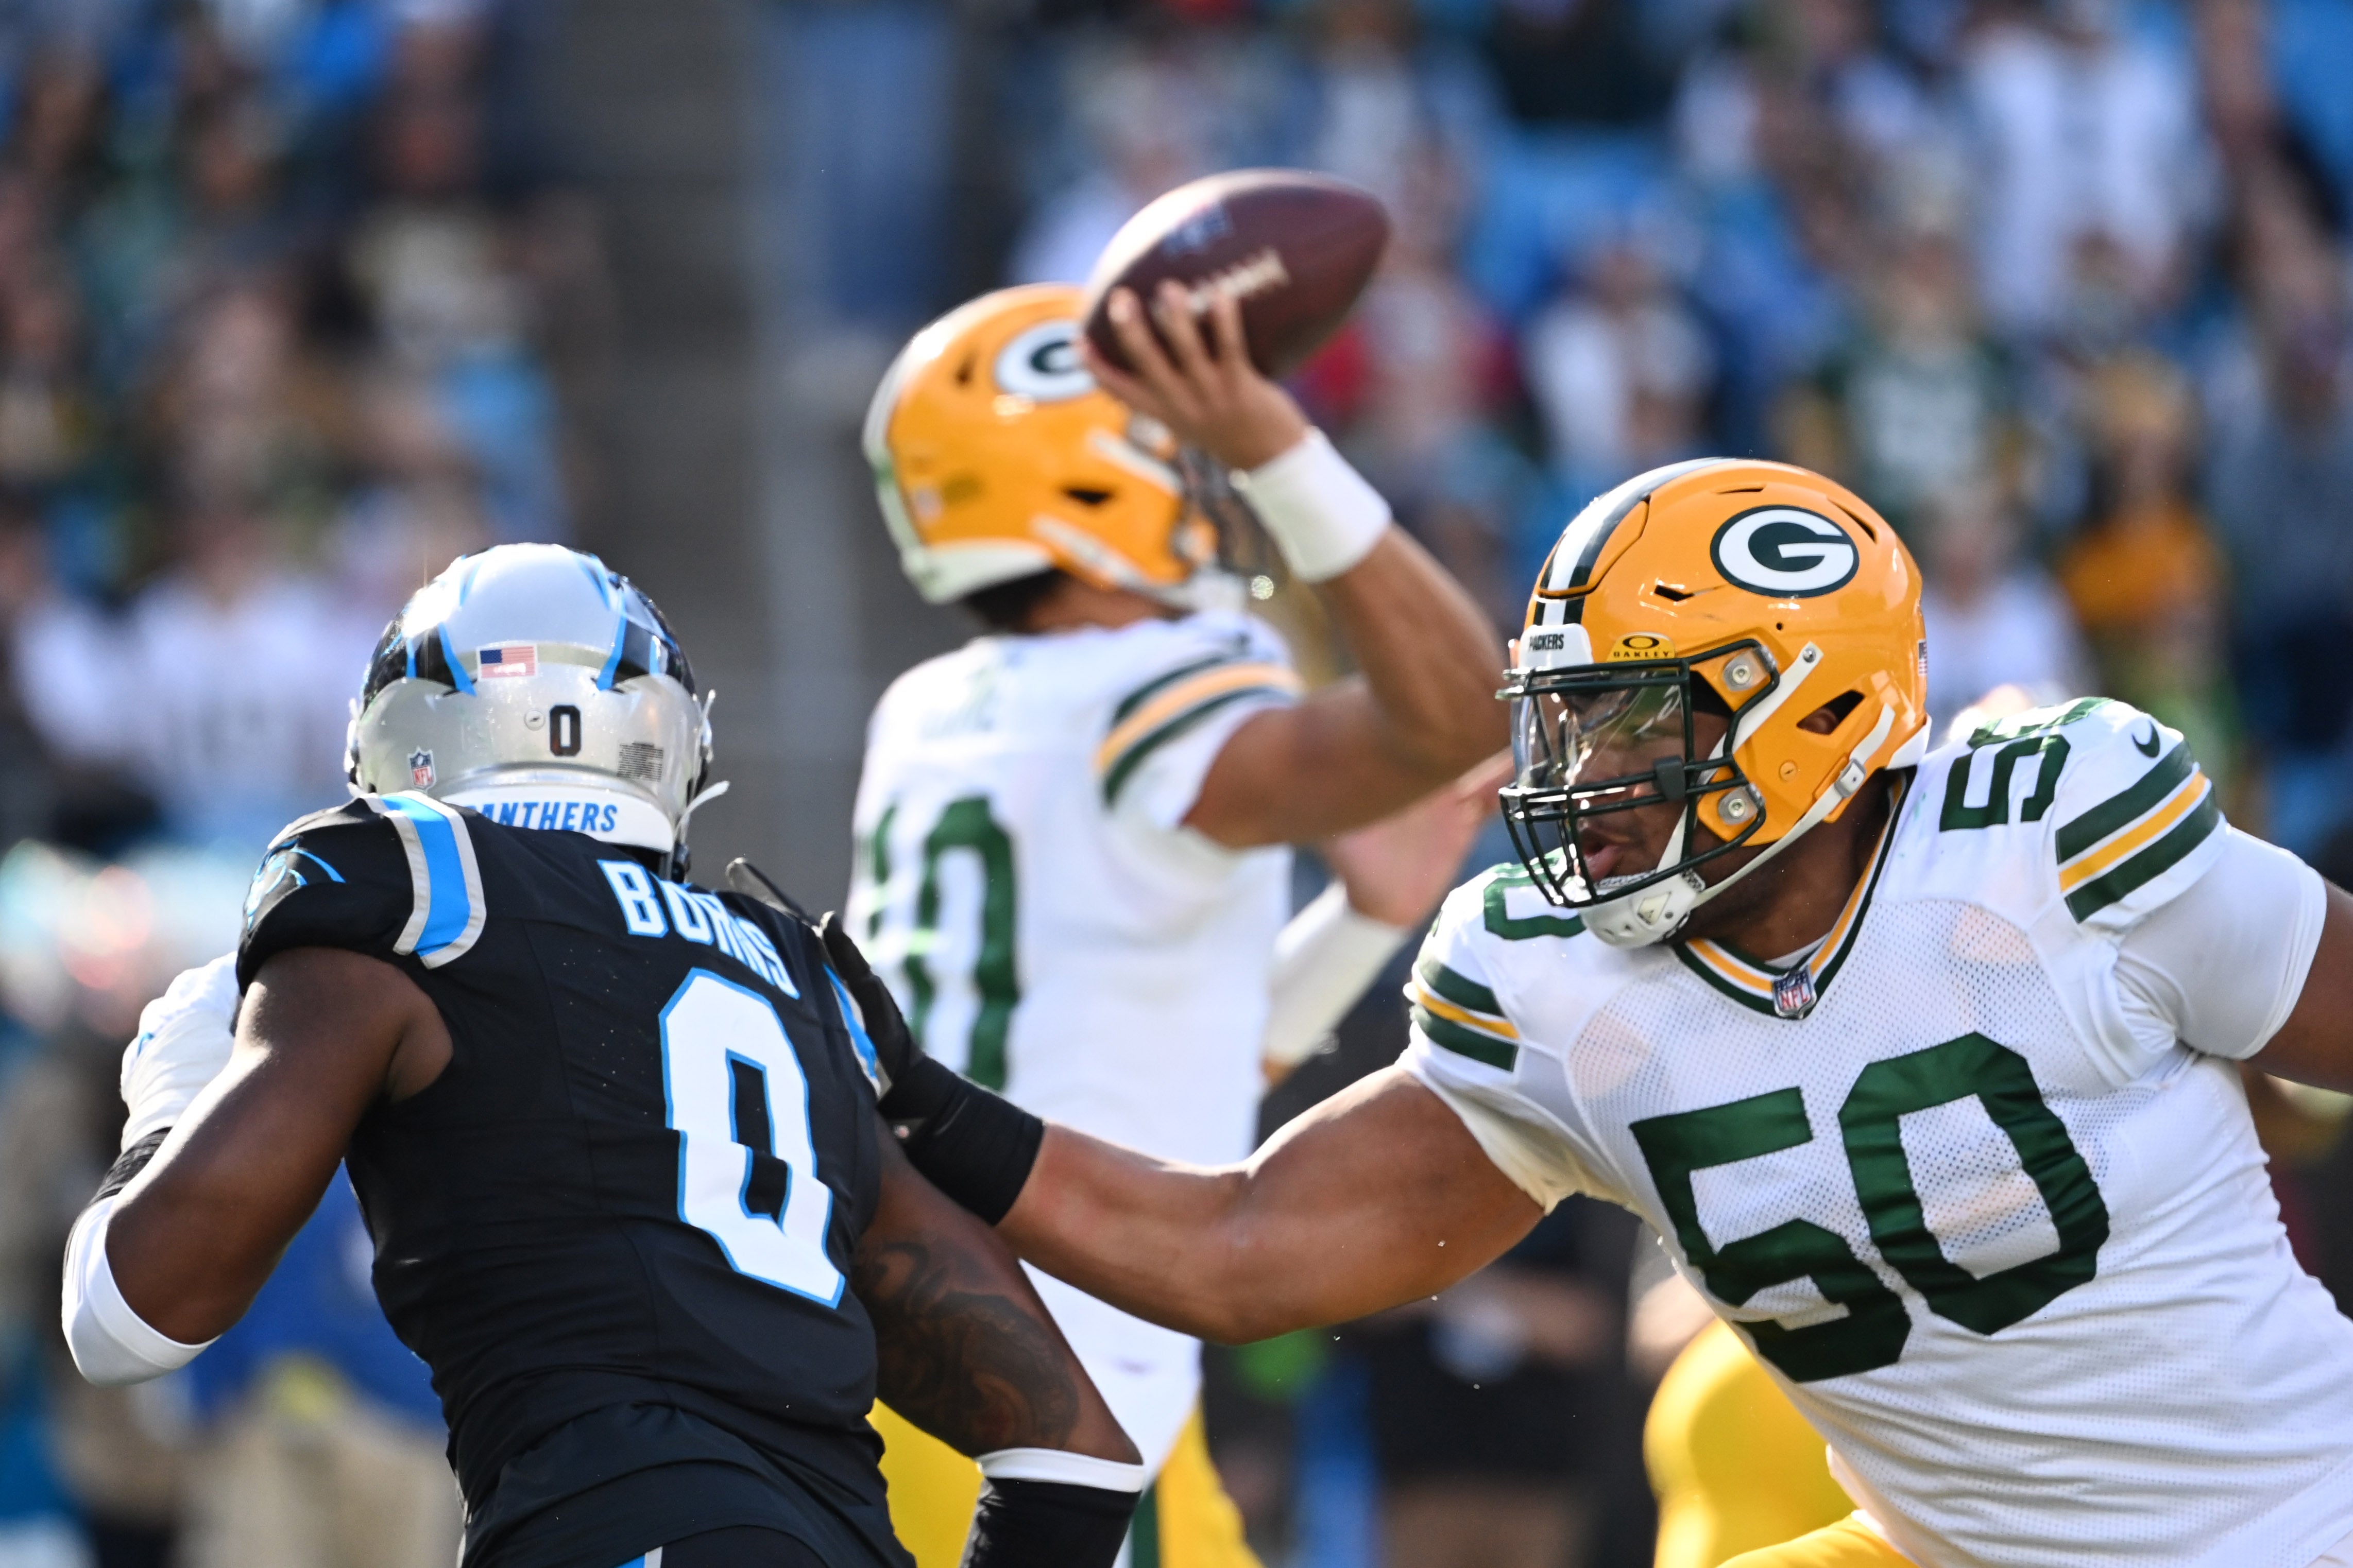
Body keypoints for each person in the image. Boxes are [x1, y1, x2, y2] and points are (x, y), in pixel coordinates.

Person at [833, 458, 2353, 1567]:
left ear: (1809, 702)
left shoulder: (2055, 838)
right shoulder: (1558, 985)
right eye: (1564, 721)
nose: (1584, 780)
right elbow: (1235, 1245)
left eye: (1633, 720)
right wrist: (926, 1108)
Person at [60, 544, 1151, 1568]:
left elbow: (126, 1315)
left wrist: (172, 1085)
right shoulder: (790, 973)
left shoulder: (419, 886)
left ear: (402, 738)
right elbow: (1073, 1451)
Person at [852, 279, 1505, 1565]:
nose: (1201, 474)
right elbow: (1462, 715)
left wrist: (1368, 921)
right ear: (1087, 477)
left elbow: (1161, 1047)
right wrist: (1285, 450)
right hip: (1062, 1371)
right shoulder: (1160, 682)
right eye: (1167, 442)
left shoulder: (929, 710)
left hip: (922, 1330)